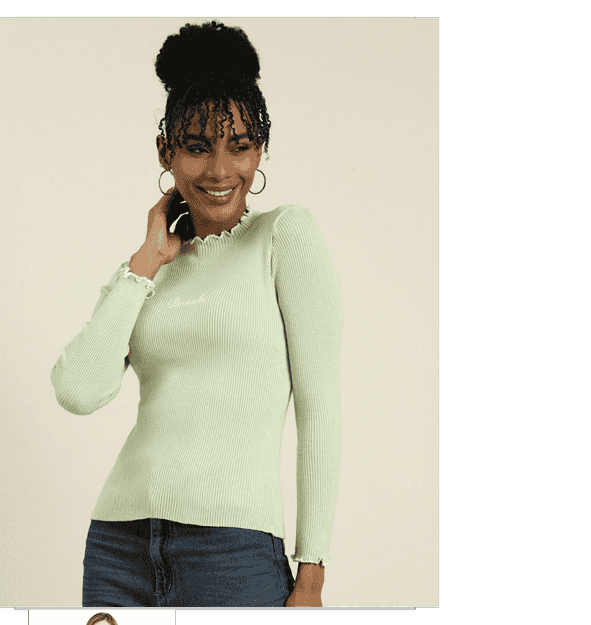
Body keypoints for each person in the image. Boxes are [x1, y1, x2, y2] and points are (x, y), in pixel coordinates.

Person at [52, 20, 343, 608]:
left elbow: (319, 410)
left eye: (239, 146)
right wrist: (144, 263)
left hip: (233, 552)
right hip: (118, 548)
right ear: (166, 151)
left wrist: (311, 572)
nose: (219, 170)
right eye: (196, 146)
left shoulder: (283, 235)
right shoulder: (146, 267)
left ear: (260, 149)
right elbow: (78, 391)